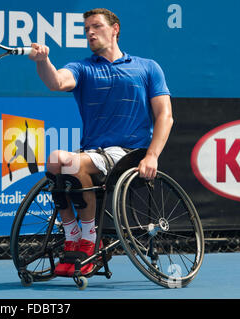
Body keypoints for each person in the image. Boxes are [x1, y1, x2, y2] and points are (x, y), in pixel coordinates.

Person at [28, 8, 173, 276]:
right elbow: (57, 81)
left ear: (115, 29)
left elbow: (165, 115)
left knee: (66, 160)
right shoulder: (82, 68)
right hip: (94, 153)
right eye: (86, 29)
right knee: (56, 160)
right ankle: (74, 236)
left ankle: (89, 239)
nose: (90, 33)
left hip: (130, 154)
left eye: (96, 26)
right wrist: (42, 61)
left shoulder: (147, 67)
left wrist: (152, 155)